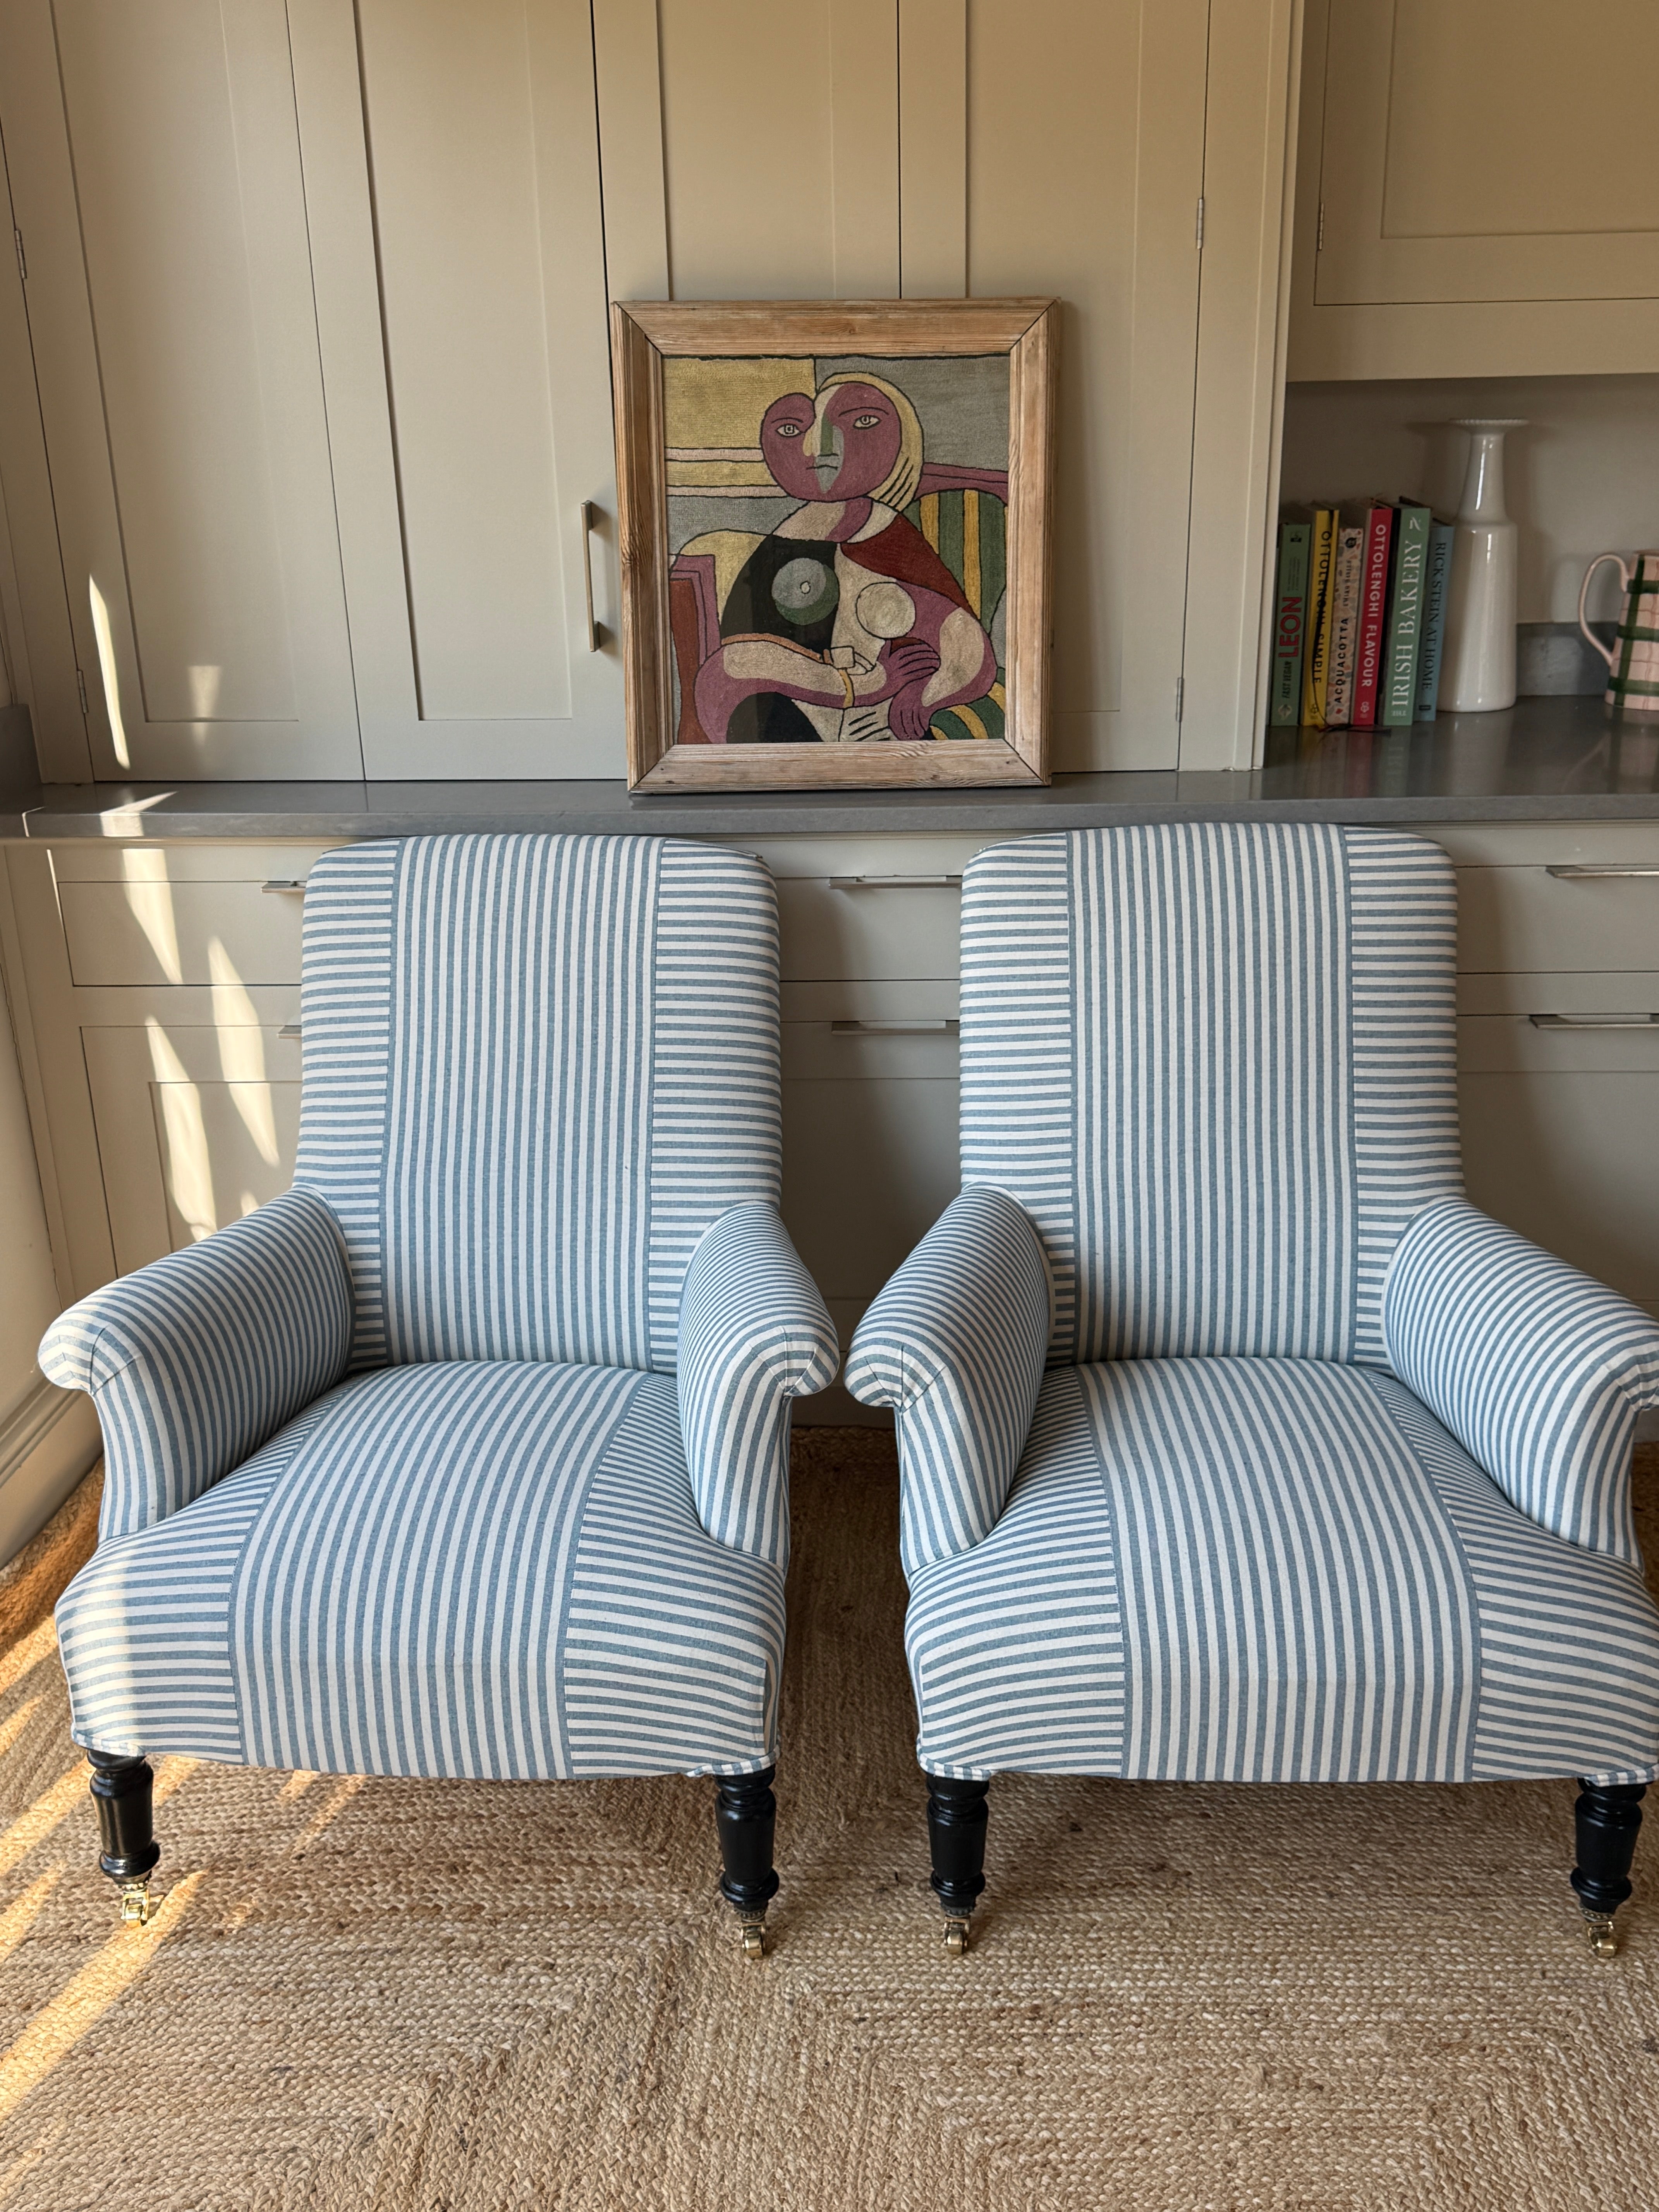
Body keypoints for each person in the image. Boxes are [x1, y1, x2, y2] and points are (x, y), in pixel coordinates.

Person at [682, 373, 998, 745]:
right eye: (790, 430)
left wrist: (925, 697)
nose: (820, 449)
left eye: (862, 422)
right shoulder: (782, 544)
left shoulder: (888, 536)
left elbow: (968, 649)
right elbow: (732, 669)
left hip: (879, 730)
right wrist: (863, 685)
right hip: (795, 722)